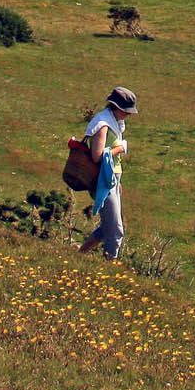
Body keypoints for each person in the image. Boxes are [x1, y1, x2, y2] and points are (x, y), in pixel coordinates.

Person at [78, 86, 137, 260]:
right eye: (126, 111)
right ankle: (109, 268)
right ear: (115, 107)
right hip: (102, 181)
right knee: (116, 230)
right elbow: (97, 156)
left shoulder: (114, 122)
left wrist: (118, 183)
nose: (128, 115)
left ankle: (79, 254)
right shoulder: (102, 125)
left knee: (107, 227)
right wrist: (120, 148)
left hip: (111, 179)